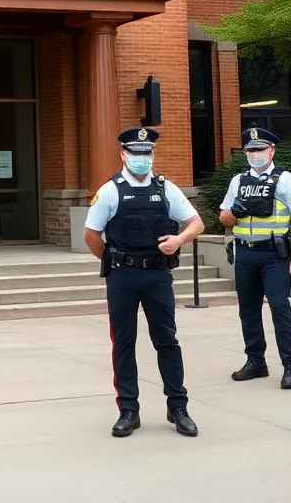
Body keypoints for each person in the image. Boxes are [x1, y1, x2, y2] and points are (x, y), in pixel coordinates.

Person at [84, 127, 206, 438]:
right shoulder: (110, 191)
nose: (142, 159)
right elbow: (91, 235)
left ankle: (178, 406)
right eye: (136, 153)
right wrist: (115, 260)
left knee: (167, 340)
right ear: (123, 155)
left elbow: (197, 223)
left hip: (157, 275)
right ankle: (128, 409)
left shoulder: (167, 189)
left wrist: (178, 240)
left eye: (147, 153)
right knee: (124, 343)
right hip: (123, 276)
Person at [219, 127, 291, 390]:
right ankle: (255, 361)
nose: (255, 154)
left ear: (272, 150)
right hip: (245, 252)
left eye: (260, 149)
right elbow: (224, 218)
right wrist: (235, 210)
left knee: (280, 306)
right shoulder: (237, 181)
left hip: (274, 254)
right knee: (248, 309)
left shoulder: (284, 179)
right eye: (251, 150)